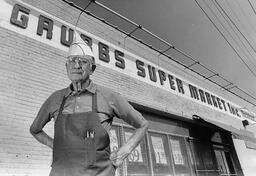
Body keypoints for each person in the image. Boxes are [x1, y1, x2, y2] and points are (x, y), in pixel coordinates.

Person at [29, 31, 149, 176]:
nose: (77, 65)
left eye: (83, 61)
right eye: (72, 61)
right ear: (66, 67)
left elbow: (142, 124)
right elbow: (35, 130)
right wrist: (54, 145)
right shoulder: (55, 99)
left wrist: (122, 154)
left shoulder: (109, 96)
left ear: (92, 68)